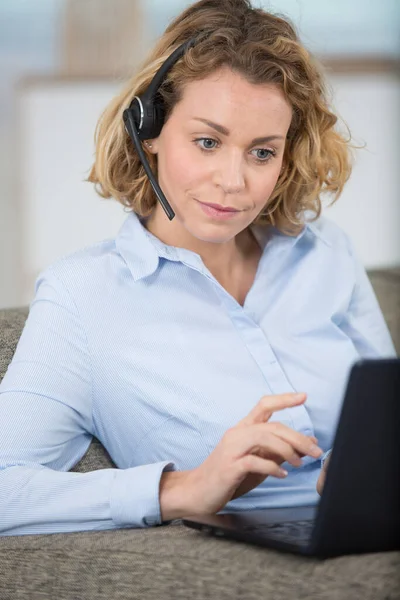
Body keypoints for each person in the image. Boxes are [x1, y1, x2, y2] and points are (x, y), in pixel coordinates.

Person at [0, 0, 396, 537]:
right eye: (207, 142)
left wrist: (361, 470)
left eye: (262, 152)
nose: (233, 181)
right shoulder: (82, 296)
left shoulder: (326, 253)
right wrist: (185, 487)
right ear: (151, 131)